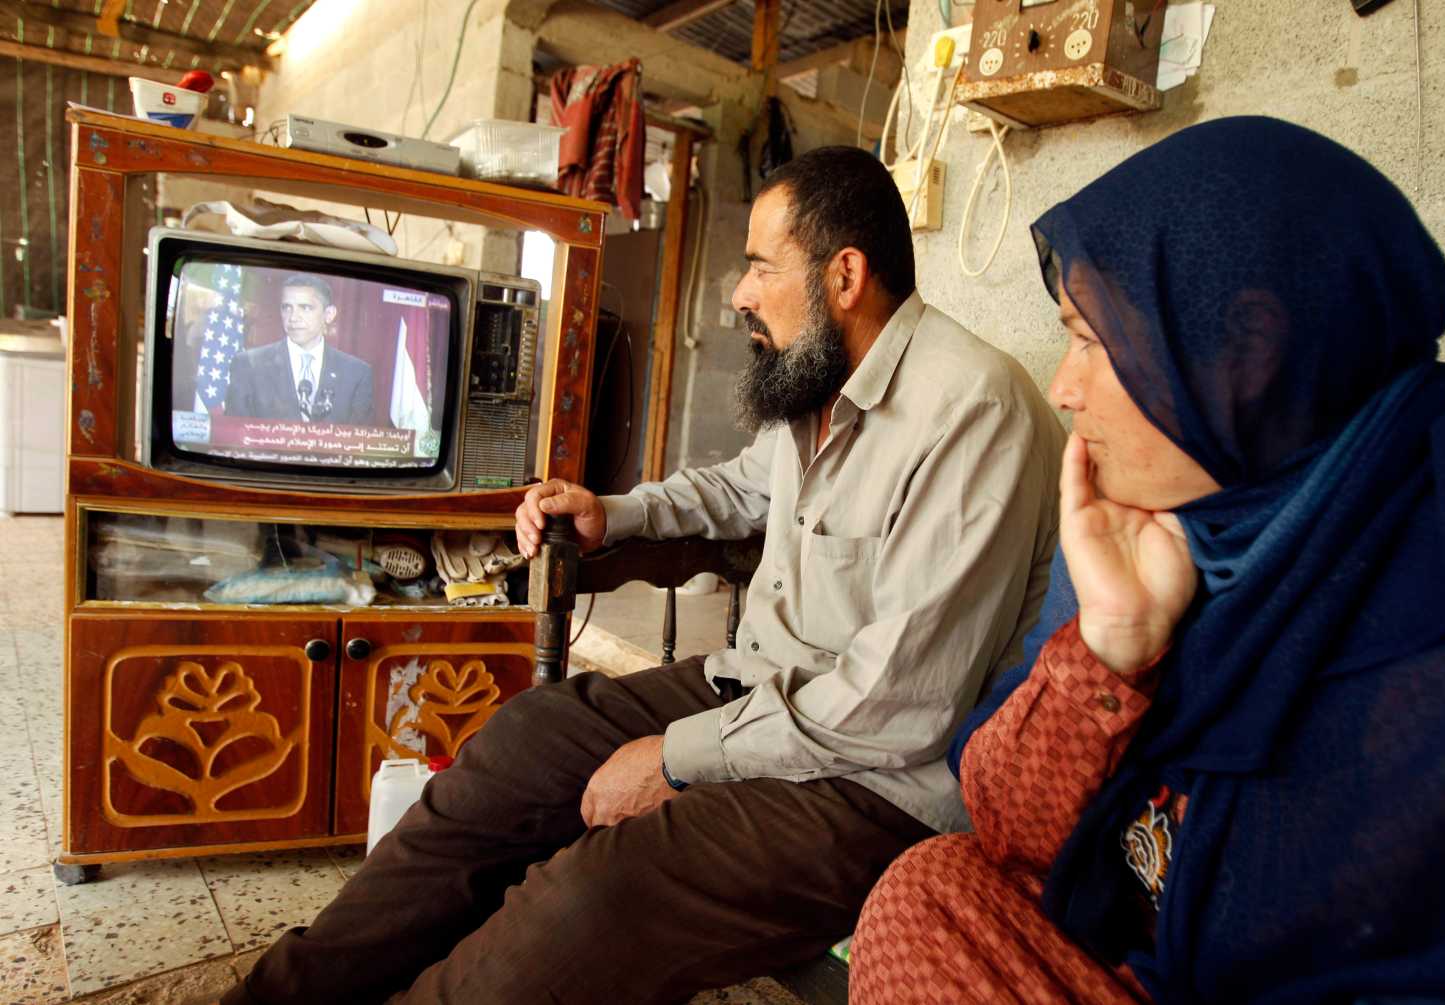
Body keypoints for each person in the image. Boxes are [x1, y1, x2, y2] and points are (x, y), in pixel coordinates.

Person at [221, 145, 1066, 1005]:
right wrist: (610, 512)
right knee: (519, 748)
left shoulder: (973, 412)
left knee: (598, 891)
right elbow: (738, 487)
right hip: (757, 694)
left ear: (844, 276)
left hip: (871, 781)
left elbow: (896, 708)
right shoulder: (827, 380)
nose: (739, 294)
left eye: (758, 267)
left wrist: (675, 758)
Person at [849, 115, 1445, 1004]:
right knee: (933, 889)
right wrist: (1110, 644)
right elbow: (1007, 833)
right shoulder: (1178, 523)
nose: (1061, 387)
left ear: (1249, 349)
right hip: (1165, 964)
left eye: (1089, 337)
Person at [223, 273, 375, 425]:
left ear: (328, 315)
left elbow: (359, 440)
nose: (293, 317)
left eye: (305, 308)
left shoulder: (357, 373)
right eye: (287, 307)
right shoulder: (248, 364)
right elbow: (235, 435)